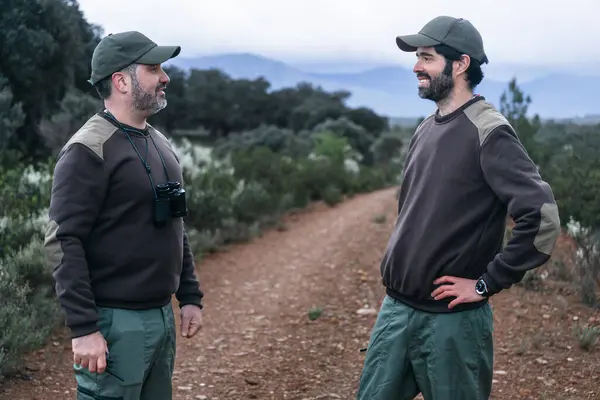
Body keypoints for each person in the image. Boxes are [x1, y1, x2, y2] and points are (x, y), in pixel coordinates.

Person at [356, 16, 561, 400]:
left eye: (427, 57)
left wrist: (487, 283)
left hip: (452, 323)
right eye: (417, 57)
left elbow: (543, 217)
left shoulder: (489, 130)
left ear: (461, 64)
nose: (417, 66)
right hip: (397, 312)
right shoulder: (426, 127)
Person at [44, 31, 205, 400]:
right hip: (115, 322)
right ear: (121, 80)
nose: (165, 77)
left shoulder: (159, 142)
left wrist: (190, 294)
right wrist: (84, 329)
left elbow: (174, 223)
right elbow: (62, 241)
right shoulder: (88, 149)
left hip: (161, 317)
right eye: (153, 69)